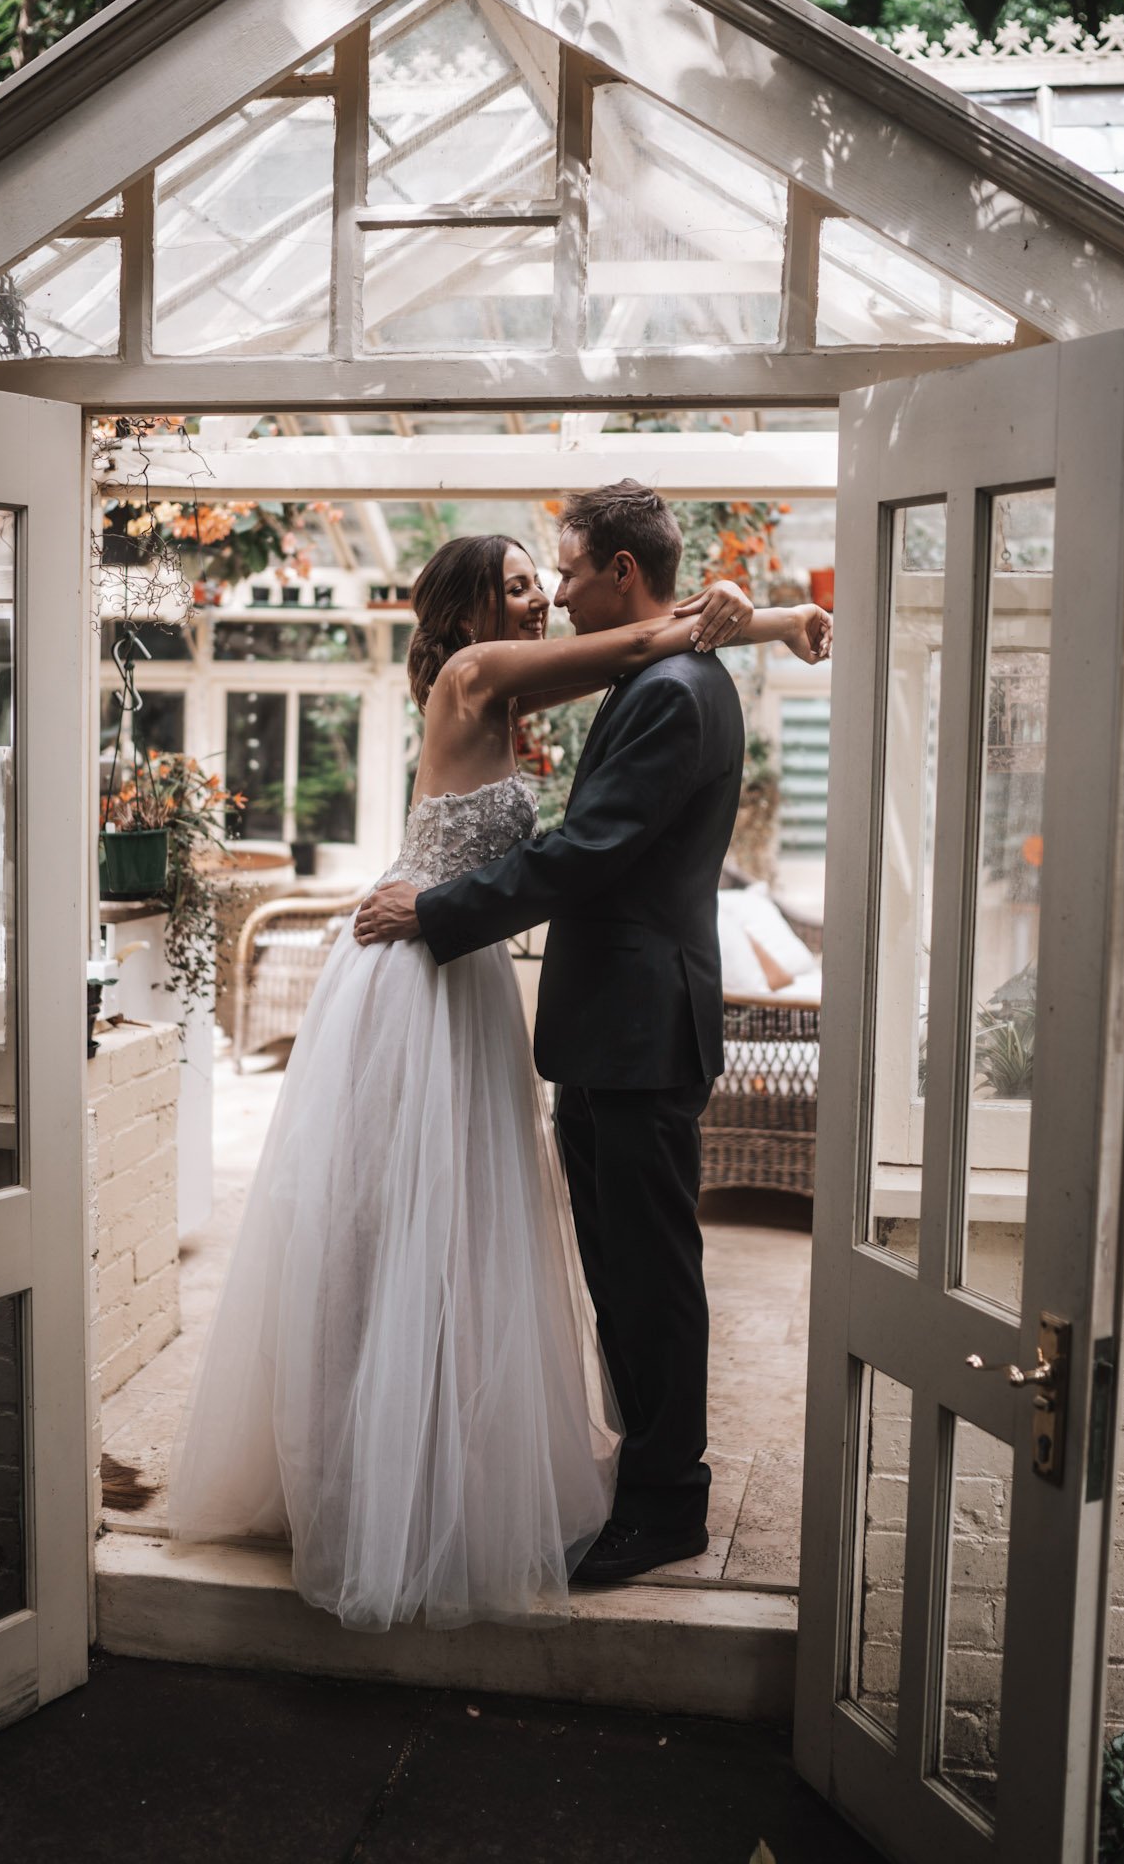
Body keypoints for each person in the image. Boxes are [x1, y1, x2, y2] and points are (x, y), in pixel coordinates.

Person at [355, 483, 832, 1586]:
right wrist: (755, 614)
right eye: (528, 580)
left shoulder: (669, 686)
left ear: (620, 570)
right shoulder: (657, 669)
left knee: (649, 1273)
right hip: (614, 1024)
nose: (552, 591)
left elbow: (588, 849)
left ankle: (665, 1500)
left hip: (634, 1027)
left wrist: (434, 912)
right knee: (621, 1265)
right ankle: (644, 1472)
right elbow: (643, 645)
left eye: (561, 571)